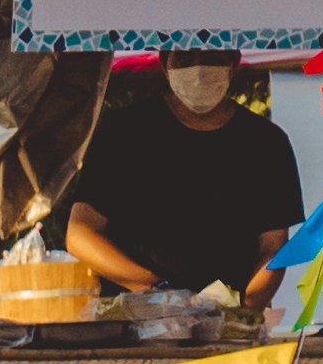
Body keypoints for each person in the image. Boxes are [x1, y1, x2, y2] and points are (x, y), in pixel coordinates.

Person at [64, 47, 308, 305]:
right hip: (137, 321)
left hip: (229, 324)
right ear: (163, 63)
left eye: (212, 57)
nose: (198, 69)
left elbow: (273, 249)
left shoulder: (266, 143)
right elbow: (81, 236)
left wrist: (243, 311)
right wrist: (156, 290)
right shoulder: (124, 133)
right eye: (184, 58)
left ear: (234, 63)